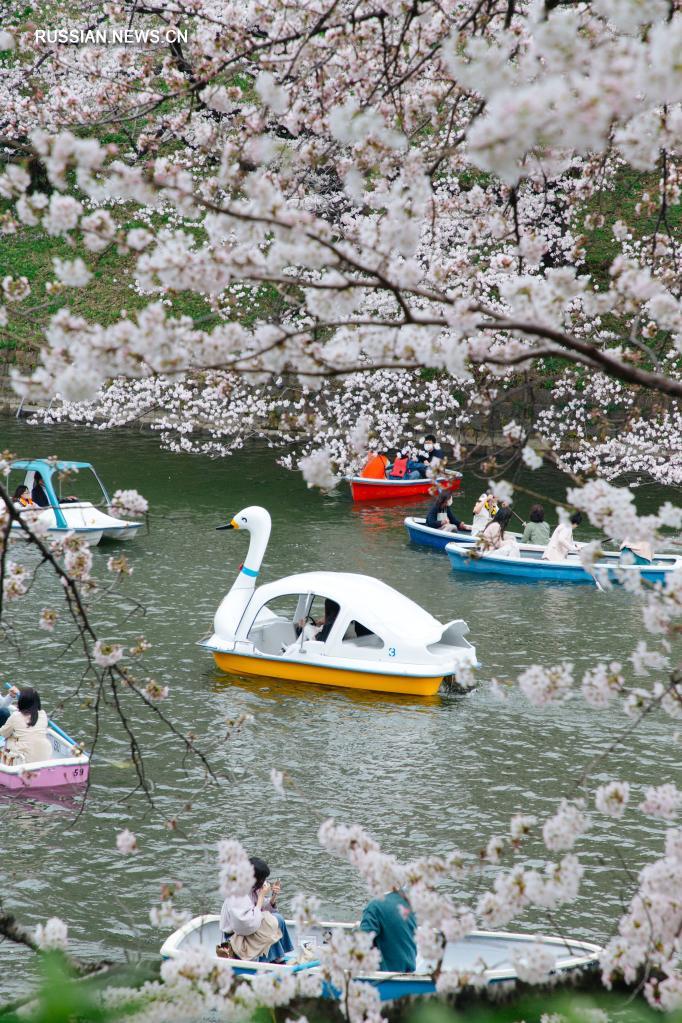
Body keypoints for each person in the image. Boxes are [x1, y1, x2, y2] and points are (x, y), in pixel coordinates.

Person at [218, 856, 293, 963]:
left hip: (248, 928)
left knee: (278, 919)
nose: (264, 882)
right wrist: (262, 896)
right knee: (271, 923)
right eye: (263, 879)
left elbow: (260, 906)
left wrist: (273, 897)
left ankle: (275, 956)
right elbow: (245, 926)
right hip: (236, 937)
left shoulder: (252, 888)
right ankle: (267, 960)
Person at [360, 888, 416, 974]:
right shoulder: (408, 902)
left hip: (384, 977)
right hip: (409, 971)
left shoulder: (375, 906)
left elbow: (361, 943)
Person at [0, 688, 52, 765]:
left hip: (22, 760)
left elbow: (2, 733)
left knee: (7, 740)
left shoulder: (16, 716)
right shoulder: (43, 714)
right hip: (44, 757)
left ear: (21, 702)